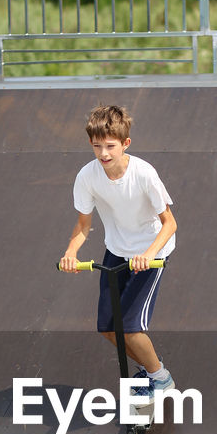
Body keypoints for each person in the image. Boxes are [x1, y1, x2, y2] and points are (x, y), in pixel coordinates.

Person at [59, 104, 177, 400]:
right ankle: (150, 372)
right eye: (97, 146)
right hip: (117, 251)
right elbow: (83, 225)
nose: (103, 154)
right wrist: (71, 252)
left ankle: (161, 380)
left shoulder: (144, 174)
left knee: (130, 327)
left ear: (125, 144)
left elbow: (170, 224)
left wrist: (149, 255)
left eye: (110, 146)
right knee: (108, 328)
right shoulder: (87, 176)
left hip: (152, 251)